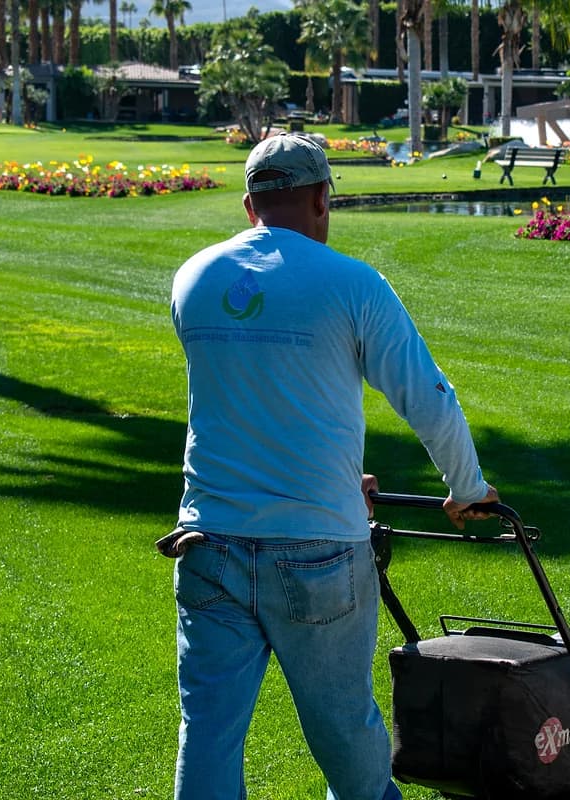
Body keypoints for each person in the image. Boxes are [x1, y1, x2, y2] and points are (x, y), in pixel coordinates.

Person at [163, 132, 498, 800]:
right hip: (317, 554)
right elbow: (430, 399)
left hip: (208, 546)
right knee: (346, 735)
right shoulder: (354, 285)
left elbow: (253, 399)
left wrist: (341, 474)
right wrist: (467, 489)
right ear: (321, 198)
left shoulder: (193, 279)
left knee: (206, 737)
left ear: (248, 202)